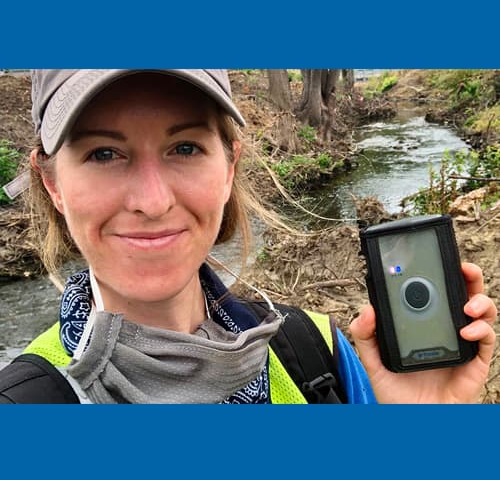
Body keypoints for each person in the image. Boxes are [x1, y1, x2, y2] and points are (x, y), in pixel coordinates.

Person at [0, 69, 497, 404]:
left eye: (186, 147)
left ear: (229, 167)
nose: (152, 202)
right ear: (52, 184)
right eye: (104, 154)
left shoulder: (314, 349)